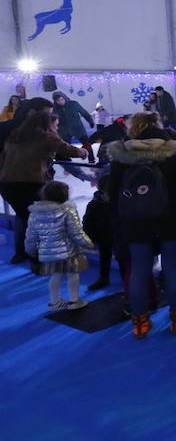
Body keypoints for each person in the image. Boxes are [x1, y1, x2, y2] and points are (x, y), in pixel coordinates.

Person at [107, 112, 176, 339]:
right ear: (158, 127)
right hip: (169, 220)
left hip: (135, 224)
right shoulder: (174, 156)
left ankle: (140, 322)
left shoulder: (121, 158)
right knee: (171, 267)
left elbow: (112, 194)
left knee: (139, 269)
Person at [0, 110, 86, 264]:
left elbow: (3, 158)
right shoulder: (45, 135)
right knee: (37, 221)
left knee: (24, 217)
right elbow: (67, 149)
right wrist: (83, 152)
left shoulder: (16, 135)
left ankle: (21, 253)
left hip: (8, 184)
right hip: (31, 184)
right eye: (56, 125)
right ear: (48, 123)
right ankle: (37, 258)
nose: (57, 128)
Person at [26, 181, 94, 312]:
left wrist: (31, 249)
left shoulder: (35, 213)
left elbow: (31, 234)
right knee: (72, 274)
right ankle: (74, 301)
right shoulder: (67, 211)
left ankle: (54, 302)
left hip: (48, 252)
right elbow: (76, 231)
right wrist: (87, 243)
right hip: (67, 251)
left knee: (55, 275)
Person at [82, 174, 115, 291]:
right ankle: (103, 278)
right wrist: (90, 238)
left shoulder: (120, 201)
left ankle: (129, 280)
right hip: (103, 237)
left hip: (118, 236)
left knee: (123, 259)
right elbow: (87, 222)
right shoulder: (94, 204)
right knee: (105, 256)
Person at [52, 91, 95, 162]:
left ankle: (91, 160)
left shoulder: (73, 104)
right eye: (58, 101)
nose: (60, 102)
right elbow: (53, 120)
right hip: (64, 131)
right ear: (55, 101)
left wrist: (90, 121)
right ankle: (65, 161)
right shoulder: (55, 109)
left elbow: (84, 112)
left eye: (62, 99)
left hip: (78, 129)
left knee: (87, 143)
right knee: (65, 147)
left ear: (65, 98)